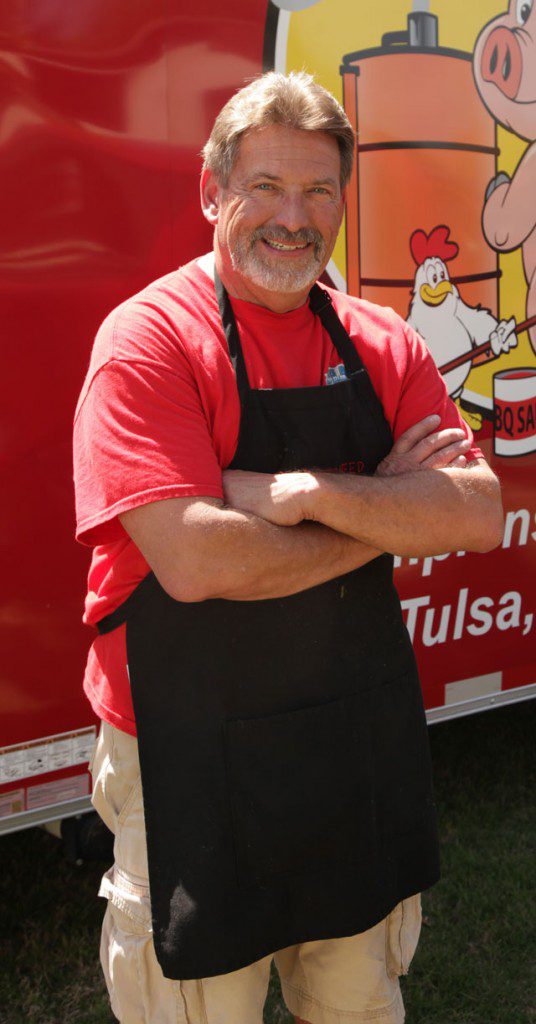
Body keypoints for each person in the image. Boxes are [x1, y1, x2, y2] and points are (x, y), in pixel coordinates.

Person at [74, 71, 503, 1024]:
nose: (292, 218)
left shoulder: (379, 339)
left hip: (350, 738)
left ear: (343, 203)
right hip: (184, 754)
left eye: (317, 191)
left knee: (354, 1003)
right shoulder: (150, 344)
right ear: (211, 191)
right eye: (264, 186)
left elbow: (476, 514)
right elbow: (195, 562)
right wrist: (384, 511)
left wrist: (306, 495)